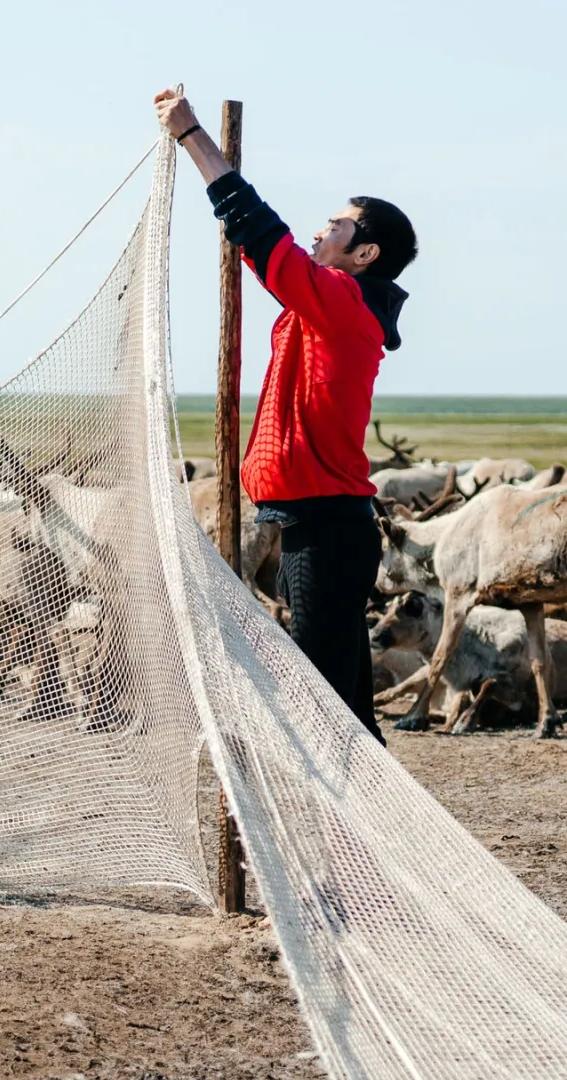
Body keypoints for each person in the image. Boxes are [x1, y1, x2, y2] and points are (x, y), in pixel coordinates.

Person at [155, 88, 417, 745]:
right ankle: (362, 842)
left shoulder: (342, 301)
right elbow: (261, 250)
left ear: (365, 255)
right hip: (322, 524)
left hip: (327, 529)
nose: (321, 228)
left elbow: (261, 233)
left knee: (322, 714)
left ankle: (337, 840)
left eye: (339, 224)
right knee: (347, 714)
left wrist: (194, 138)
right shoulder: (325, 303)